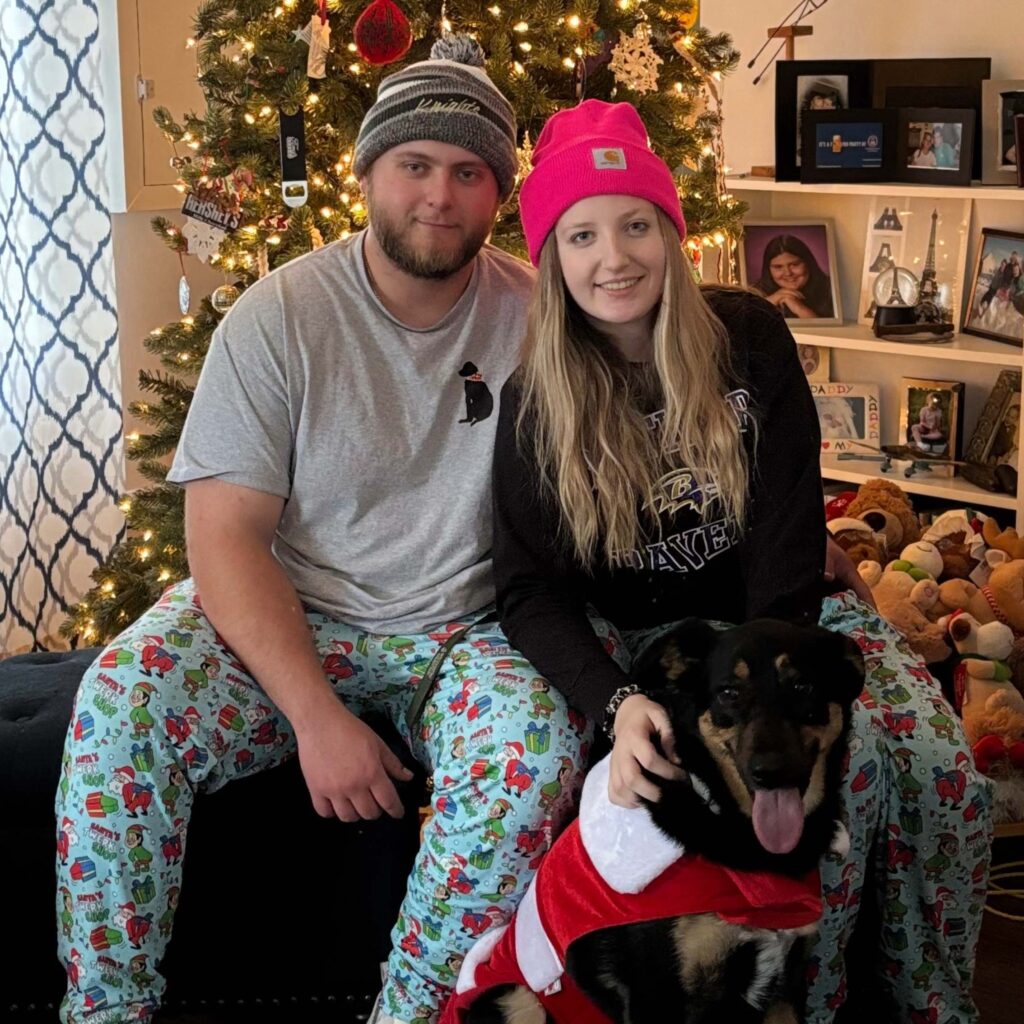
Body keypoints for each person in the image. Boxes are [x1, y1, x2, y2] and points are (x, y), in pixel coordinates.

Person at [54, 38, 599, 1024]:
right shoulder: (279, 316)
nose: (439, 196)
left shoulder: (539, 315)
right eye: (415, 165)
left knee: (534, 751)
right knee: (120, 702)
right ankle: (106, 1012)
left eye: (469, 172)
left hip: (465, 633)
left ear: (498, 192)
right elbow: (225, 537)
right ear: (369, 172)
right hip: (293, 612)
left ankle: (412, 1014)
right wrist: (315, 718)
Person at [493, 99, 991, 1024]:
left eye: (637, 225)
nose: (614, 258)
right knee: (839, 781)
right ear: (552, 258)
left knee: (939, 769)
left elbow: (790, 515)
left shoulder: (749, 336)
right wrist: (616, 700)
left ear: (671, 234)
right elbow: (525, 589)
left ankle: (929, 1001)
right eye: (582, 235)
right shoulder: (534, 403)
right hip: (650, 641)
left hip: (786, 611)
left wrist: (783, 665)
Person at [753, 234, 835, 319]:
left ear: (808, 263)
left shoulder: (831, 289)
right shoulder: (754, 293)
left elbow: (832, 328)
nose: (788, 273)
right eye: (778, 267)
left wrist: (799, 308)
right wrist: (770, 302)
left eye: (794, 265)